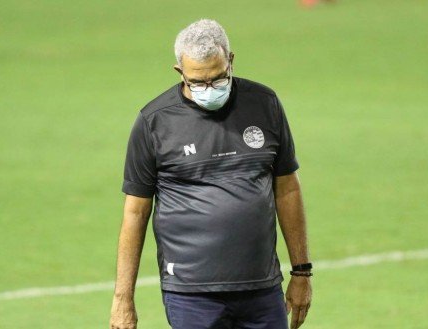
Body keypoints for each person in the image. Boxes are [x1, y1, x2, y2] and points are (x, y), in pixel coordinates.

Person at [110, 19, 313, 329]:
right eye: (197, 82)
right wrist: (123, 299)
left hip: (261, 288)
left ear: (230, 60)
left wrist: (301, 272)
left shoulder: (264, 104)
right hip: (191, 295)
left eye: (218, 78)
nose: (209, 90)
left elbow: (287, 188)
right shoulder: (155, 122)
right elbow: (136, 212)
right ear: (180, 72)